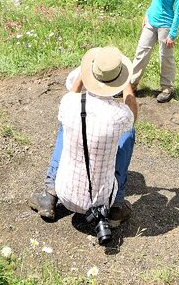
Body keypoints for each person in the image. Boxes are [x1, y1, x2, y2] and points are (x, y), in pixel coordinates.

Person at [28, 46, 137, 243]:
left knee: (66, 126)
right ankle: (117, 206)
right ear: (118, 80)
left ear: (90, 76)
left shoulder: (70, 103)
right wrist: (127, 84)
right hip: (102, 201)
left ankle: (49, 194)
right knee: (128, 133)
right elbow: (132, 115)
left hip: (65, 194)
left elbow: (72, 94)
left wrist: (82, 75)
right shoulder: (120, 115)